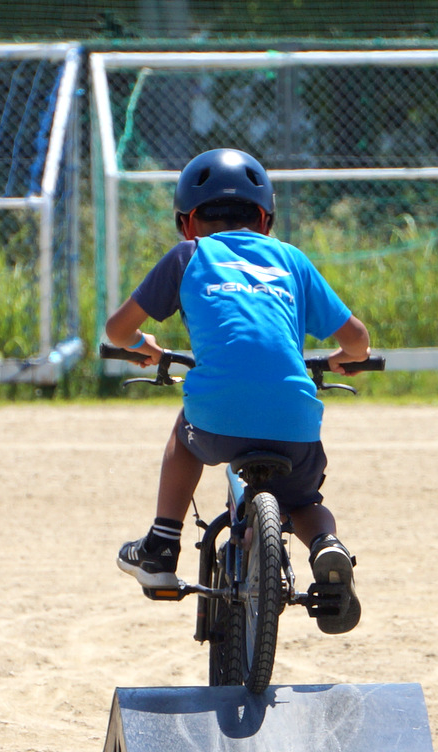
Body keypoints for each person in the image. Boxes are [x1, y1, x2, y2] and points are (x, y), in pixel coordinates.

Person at [106, 147, 371, 634]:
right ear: (266, 218)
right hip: (293, 423)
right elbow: (357, 340)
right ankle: (325, 547)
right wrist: (341, 361)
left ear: (187, 222)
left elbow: (116, 331)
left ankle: (163, 544)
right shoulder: (291, 259)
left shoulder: (189, 255)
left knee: (185, 434)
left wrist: (144, 347)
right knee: (304, 501)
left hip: (217, 423)